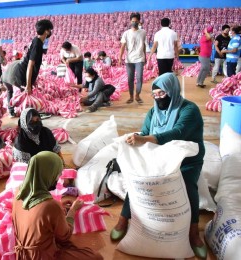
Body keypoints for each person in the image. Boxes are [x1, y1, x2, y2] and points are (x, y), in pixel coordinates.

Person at [111, 73, 207, 259]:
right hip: (161, 158)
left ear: (172, 91)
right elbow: (145, 132)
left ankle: (194, 234)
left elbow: (178, 132)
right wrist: (135, 139)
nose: (158, 98)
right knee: (139, 180)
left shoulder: (189, 109)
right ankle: (123, 220)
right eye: (155, 94)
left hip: (187, 160)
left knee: (188, 185)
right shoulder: (153, 112)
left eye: (162, 93)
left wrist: (146, 138)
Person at [12, 151, 103, 260]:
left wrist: (58, 207)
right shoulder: (50, 206)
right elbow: (65, 236)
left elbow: (37, 217)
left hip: (23, 255)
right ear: (48, 174)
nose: (58, 177)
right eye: (57, 174)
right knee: (95, 257)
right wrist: (73, 211)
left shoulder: (19, 192)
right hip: (43, 256)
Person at [2, 19, 53, 117]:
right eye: (50, 30)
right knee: (27, 94)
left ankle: (12, 111)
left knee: (11, 91)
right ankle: (30, 116)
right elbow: (30, 64)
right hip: (19, 74)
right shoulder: (37, 43)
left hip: (10, 72)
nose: (50, 32)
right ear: (46, 31)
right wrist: (28, 85)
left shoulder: (36, 41)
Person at [119, 12, 147, 104]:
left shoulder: (143, 32)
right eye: (132, 21)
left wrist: (145, 56)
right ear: (130, 21)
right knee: (130, 78)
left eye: (135, 21)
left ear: (139, 21)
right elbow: (122, 46)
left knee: (139, 78)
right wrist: (120, 58)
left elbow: (143, 45)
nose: (134, 22)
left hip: (140, 58)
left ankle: (137, 95)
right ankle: (131, 96)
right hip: (129, 60)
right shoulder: (126, 33)